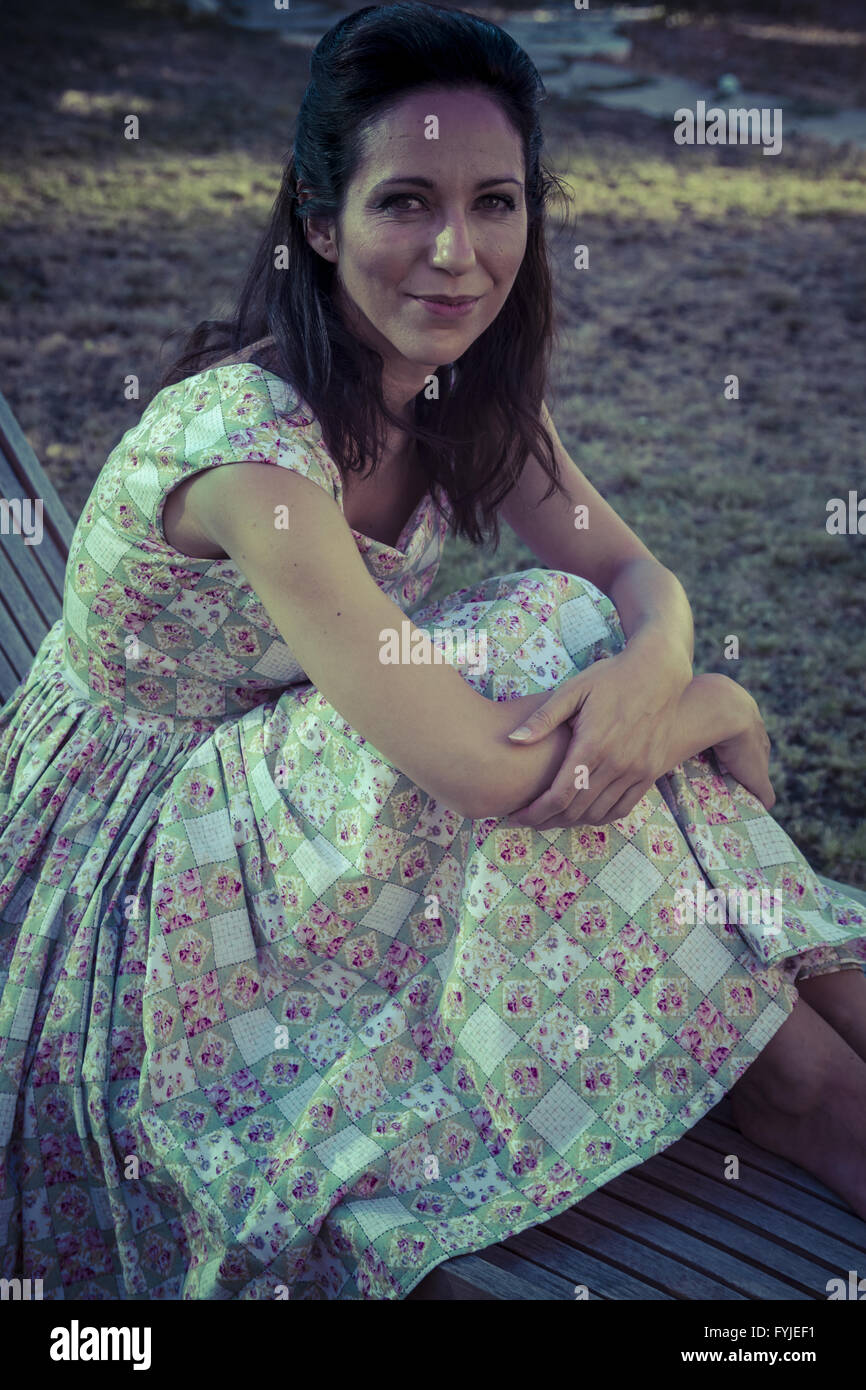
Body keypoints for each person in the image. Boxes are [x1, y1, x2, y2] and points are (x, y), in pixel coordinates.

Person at [1, 2, 864, 1303]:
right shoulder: (253, 453)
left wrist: (661, 674)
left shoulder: (457, 386)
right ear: (317, 221)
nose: (455, 252)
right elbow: (478, 768)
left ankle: (828, 1034)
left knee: (562, 635)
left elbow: (631, 575)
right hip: (136, 874)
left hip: (296, 791)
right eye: (405, 202)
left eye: (495, 202)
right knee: (532, 645)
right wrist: (706, 704)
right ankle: (808, 1083)